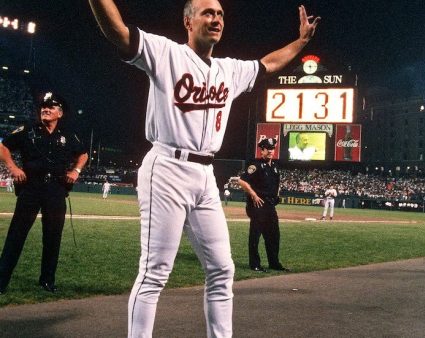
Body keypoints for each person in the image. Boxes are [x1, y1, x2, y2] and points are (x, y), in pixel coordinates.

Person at [88, 1, 319, 337]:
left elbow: (268, 64)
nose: (216, 19)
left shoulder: (229, 70)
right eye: (208, 12)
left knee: (223, 269)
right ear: (188, 21)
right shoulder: (165, 53)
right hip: (167, 166)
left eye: (221, 14)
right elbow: (118, 32)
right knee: (155, 272)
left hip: (205, 175)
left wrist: (301, 42)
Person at [0, 92, 88, 295]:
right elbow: (3, 146)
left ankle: (47, 280)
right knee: (16, 235)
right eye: (43, 107)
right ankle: (1, 280)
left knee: (52, 237)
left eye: (51, 107)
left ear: (60, 112)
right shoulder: (28, 130)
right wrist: (13, 168)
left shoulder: (68, 135)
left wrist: (75, 171)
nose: (45, 109)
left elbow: (83, 154)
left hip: (56, 191)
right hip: (30, 189)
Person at [239, 138, 289, 273]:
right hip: (258, 205)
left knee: (274, 235)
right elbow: (242, 181)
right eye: (268, 149)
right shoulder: (255, 165)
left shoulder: (275, 167)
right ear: (262, 150)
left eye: (272, 149)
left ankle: (274, 263)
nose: (270, 151)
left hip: (270, 205)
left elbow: (277, 184)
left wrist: (276, 195)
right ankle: (255, 264)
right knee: (255, 235)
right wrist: (254, 195)